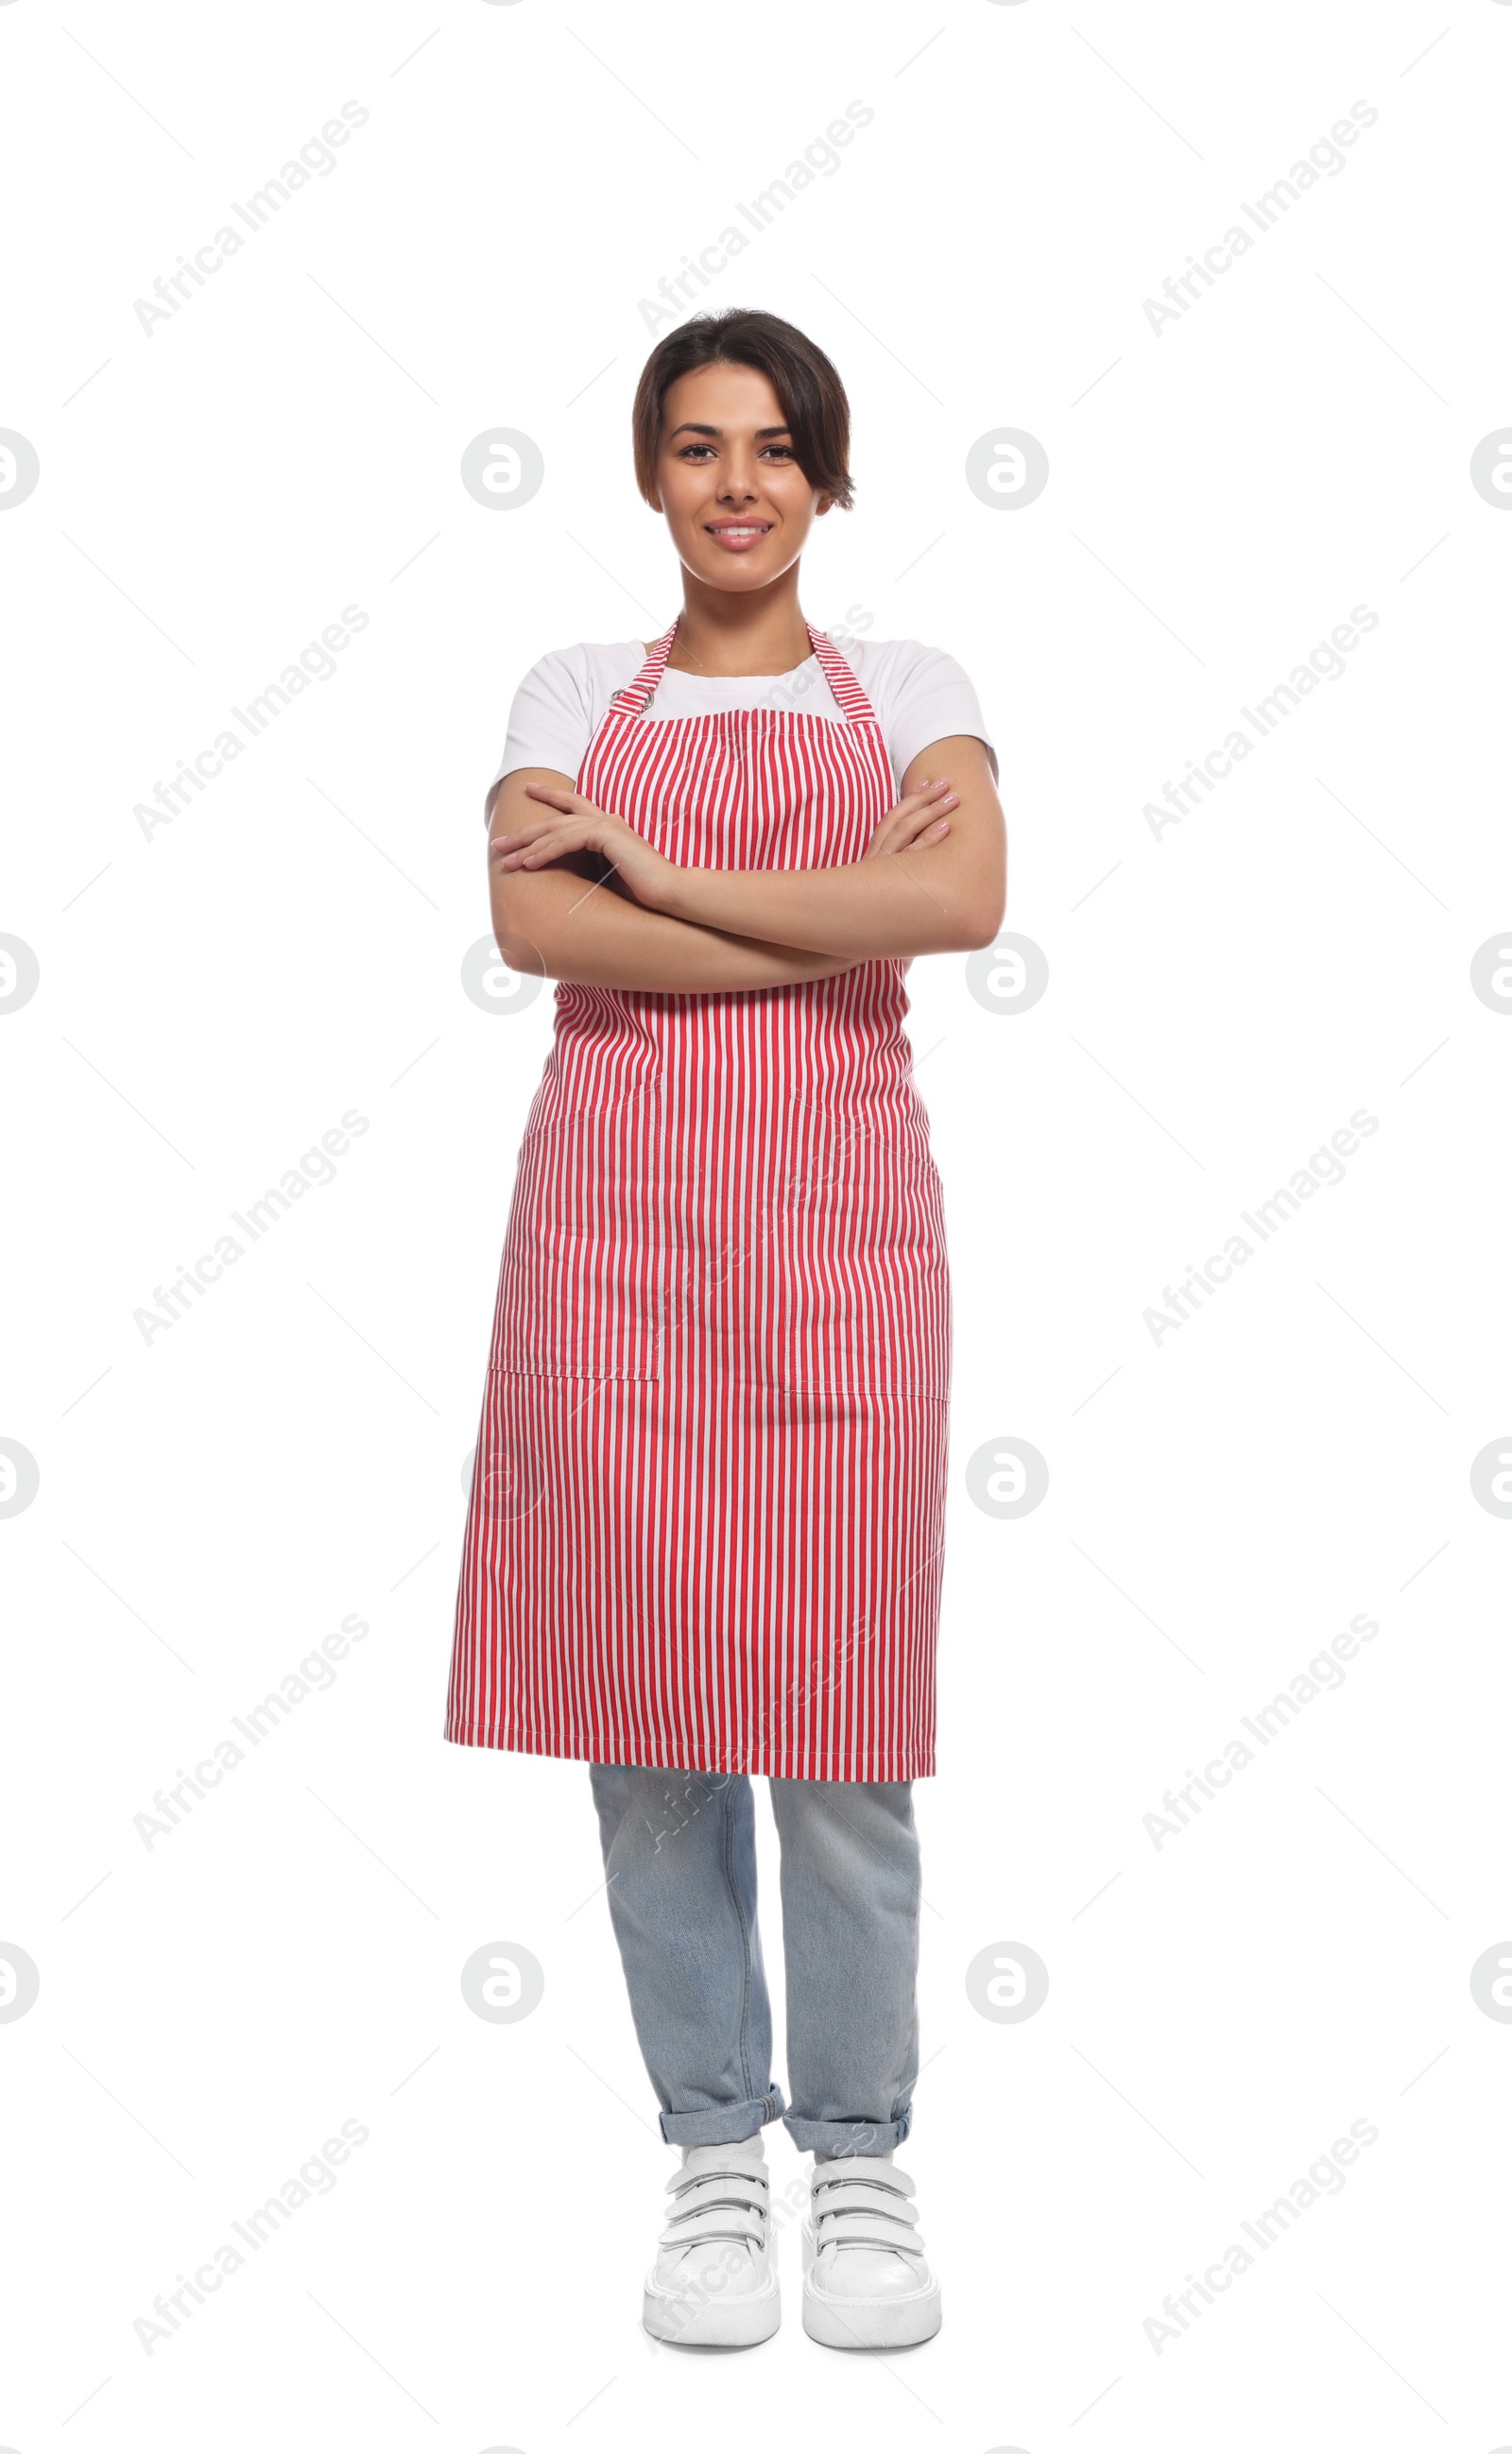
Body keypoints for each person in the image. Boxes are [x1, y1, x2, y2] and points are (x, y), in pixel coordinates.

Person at [446, 307, 1005, 2351]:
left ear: (830, 480)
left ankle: (855, 2159)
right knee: (652, 1729)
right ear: (649, 477)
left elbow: (954, 908)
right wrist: (814, 897)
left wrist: (664, 872)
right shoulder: (572, 682)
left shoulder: (918, 684)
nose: (738, 482)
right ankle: (708, 2152)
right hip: (617, 1250)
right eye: (696, 448)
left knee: (840, 1728)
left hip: (847, 1245)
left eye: (775, 448)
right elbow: (533, 925)